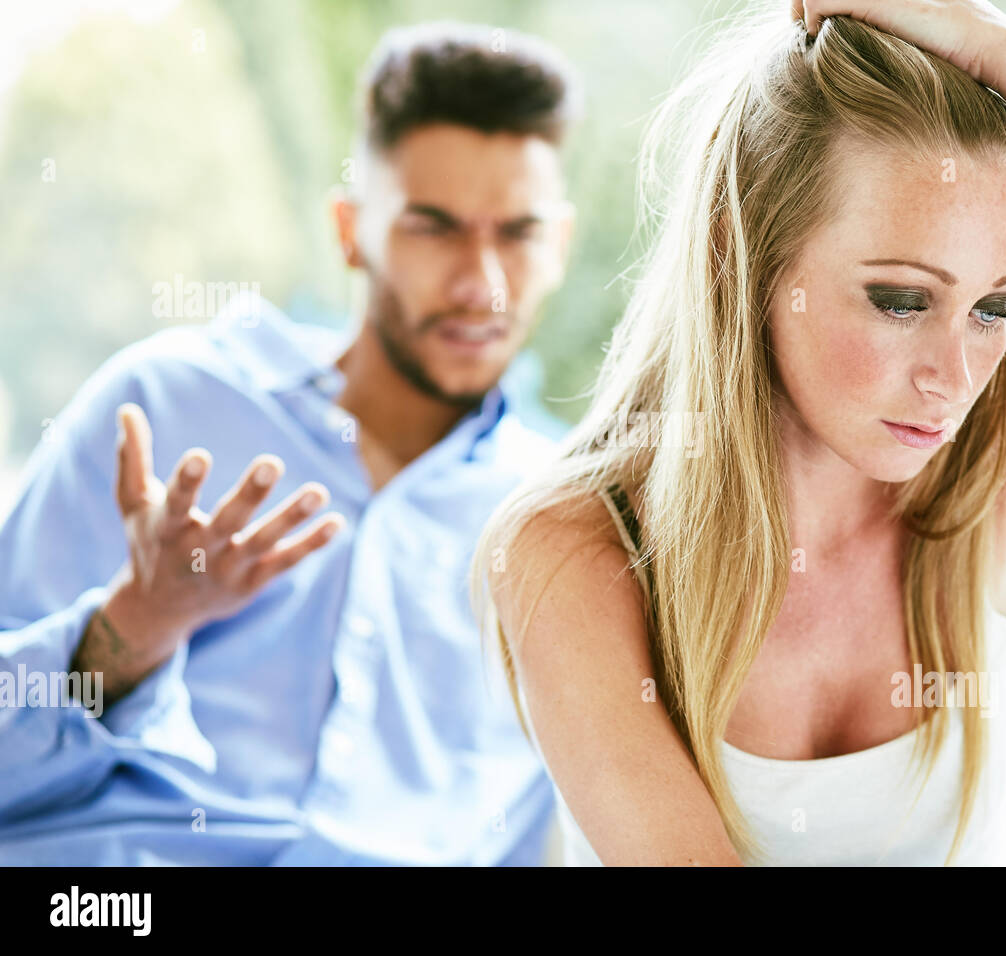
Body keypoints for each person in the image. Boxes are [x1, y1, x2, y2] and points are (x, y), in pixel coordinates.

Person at [471, 1, 1006, 866]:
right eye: (902, 301)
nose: (955, 376)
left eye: (994, 307)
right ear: (740, 255)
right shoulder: (572, 550)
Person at [0, 20, 580, 865]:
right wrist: (136, 623)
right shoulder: (161, 405)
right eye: (433, 227)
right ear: (351, 230)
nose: (480, 284)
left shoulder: (566, 519)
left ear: (559, 245)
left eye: (518, 233)